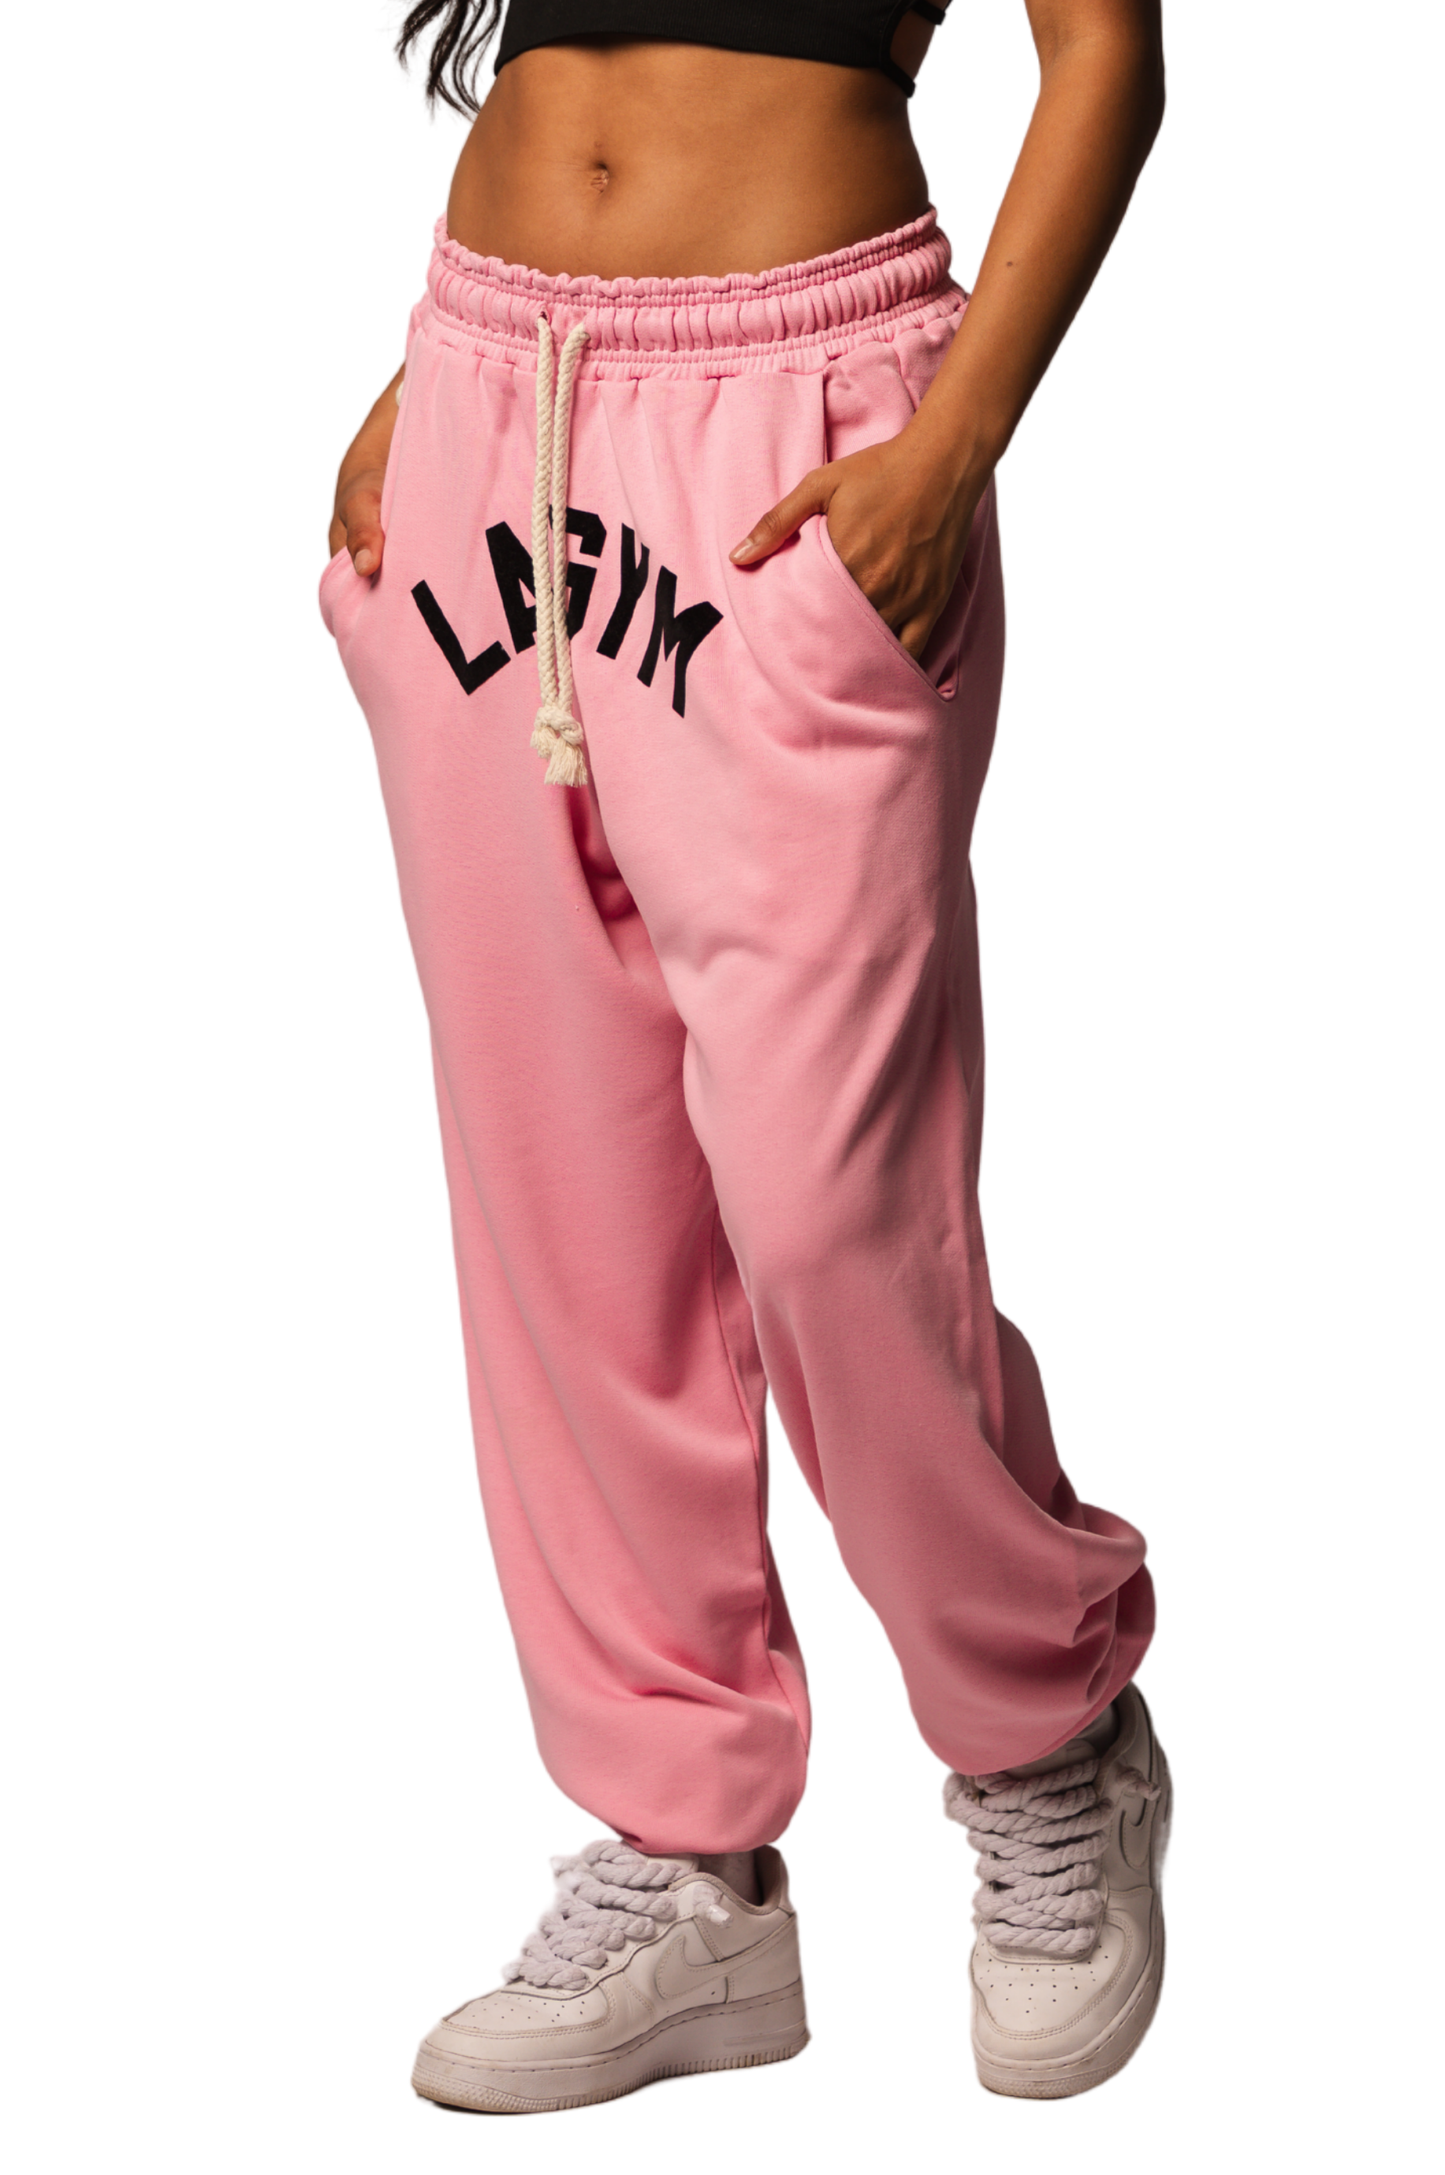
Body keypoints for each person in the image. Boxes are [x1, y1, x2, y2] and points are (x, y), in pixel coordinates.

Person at [323, 0, 1169, 2113]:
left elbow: (1105, 54)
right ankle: (683, 1854)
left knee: (828, 1203)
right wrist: (434, 388)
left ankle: (1044, 1727)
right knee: (566, 1201)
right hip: (493, 408)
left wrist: (953, 443)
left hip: (800, 437)